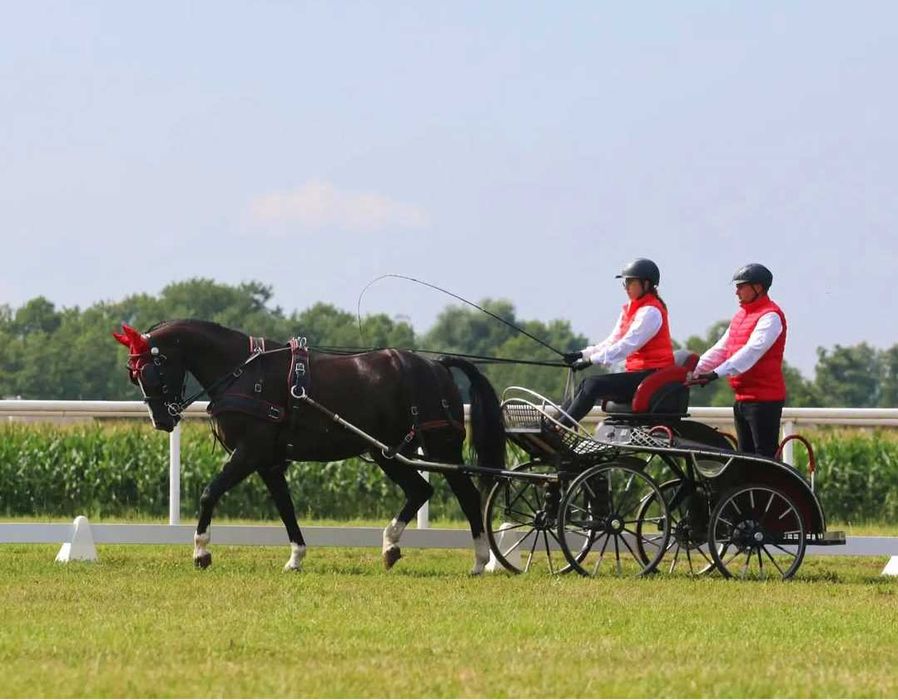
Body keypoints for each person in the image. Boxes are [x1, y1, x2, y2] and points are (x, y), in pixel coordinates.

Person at [558, 258, 675, 426]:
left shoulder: (651, 312)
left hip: (652, 375)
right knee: (587, 384)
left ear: (646, 284)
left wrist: (592, 360)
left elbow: (627, 345)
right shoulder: (630, 309)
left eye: (630, 282)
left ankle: (559, 428)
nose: (626, 287)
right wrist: (582, 354)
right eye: (625, 283)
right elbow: (613, 340)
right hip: (637, 374)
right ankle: (553, 425)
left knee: (592, 385)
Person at [691, 263, 787, 457]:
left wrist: (715, 374)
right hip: (743, 399)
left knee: (764, 458)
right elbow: (721, 349)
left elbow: (751, 352)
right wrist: (694, 370)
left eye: (741, 286)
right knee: (745, 457)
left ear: (758, 288)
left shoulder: (770, 317)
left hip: (763, 400)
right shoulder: (741, 316)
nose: (737, 292)